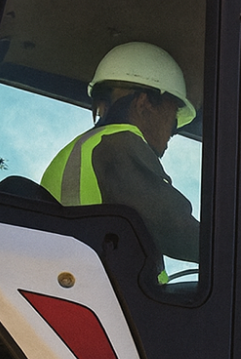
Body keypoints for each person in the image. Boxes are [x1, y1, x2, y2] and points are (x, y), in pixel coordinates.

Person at [41, 42, 201, 265]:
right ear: (144, 104)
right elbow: (174, 227)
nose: (172, 132)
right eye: (172, 118)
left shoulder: (85, 147)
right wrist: (240, 253)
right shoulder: (117, 143)